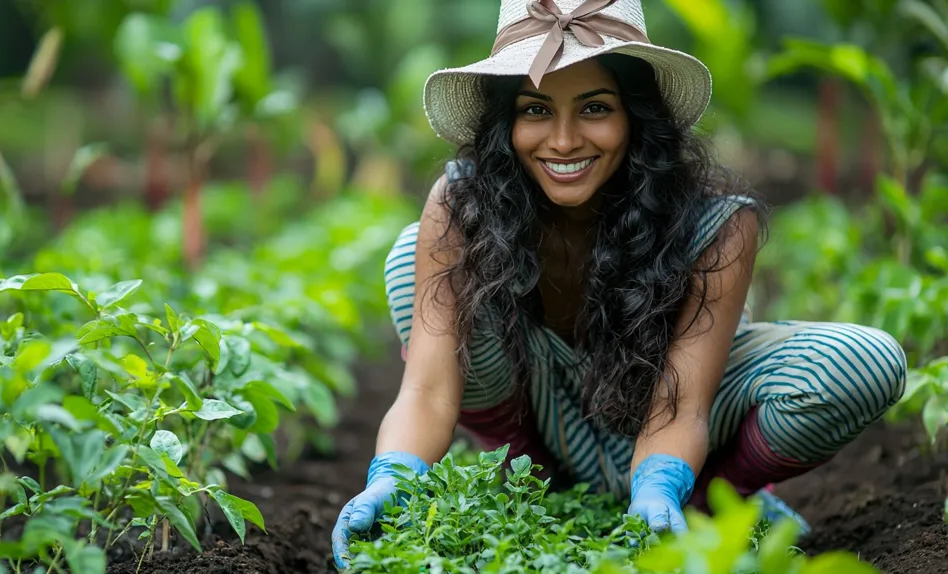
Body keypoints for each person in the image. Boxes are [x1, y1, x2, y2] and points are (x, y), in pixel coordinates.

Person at [331, 0, 908, 568]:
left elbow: (682, 407)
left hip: (676, 420)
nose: (561, 141)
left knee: (863, 363)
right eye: (535, 110)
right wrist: (392, 477)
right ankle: (532, 480)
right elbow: (428, 389)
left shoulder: (720, 224)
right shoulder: (462, 206)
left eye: (593, 108)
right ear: (505, 121)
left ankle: (708, 501)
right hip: (539, 417)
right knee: (411, 257)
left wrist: (658, 489)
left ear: (636, 113)